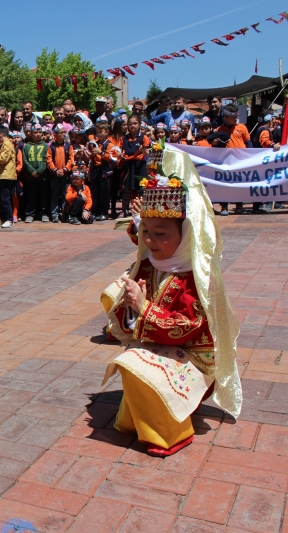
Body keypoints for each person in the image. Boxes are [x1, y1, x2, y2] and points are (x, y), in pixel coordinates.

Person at [102, 147, 242, 457]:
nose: (149, 240)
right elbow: (128, 321)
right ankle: (142, 421)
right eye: (145, 231)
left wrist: (143, 307)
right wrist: (127, 304)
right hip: (158, 341)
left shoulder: (197, 277)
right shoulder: (151, 264)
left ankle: (170, 432)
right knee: (133, 360)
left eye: (160, 233)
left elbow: (190, 326)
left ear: (188, 234)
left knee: (137, 363)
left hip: (193, 354)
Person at [120, 115, 150, 218]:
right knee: (127, 189)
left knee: (141, 188)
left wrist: (143, 151)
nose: (132, 126)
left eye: (135, 123)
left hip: (140, 165)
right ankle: (124, 211)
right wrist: (120, 155)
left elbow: (148, 153)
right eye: (130, 124)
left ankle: (142, 209)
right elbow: (120, 151)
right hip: (128, 165)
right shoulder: (124, 138)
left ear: (139, 124)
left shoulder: (144, 137)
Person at [46, 124, 74, 223]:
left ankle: (65, 214)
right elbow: (49, 160)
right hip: (55, 175)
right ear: (55, 135)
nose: (63, 134)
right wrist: (55, 170)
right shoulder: (52, 147)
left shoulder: (68, 146)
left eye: (64, 132)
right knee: (55, 195)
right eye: (61, 133)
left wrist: (65, 169)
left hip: (65, 175)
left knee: (65, 195)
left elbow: (71, 159)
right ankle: (54, 214)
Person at [0, 127, 17, 227]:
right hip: (3, 174)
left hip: (6, 175)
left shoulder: (7, 144)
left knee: (5, 198)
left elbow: (2, 159)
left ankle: (9, 219)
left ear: (0, 135)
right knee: (3, 198)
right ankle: (5, 218)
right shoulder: (5, 145)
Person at [22, 124, 48, 223]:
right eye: (35, 132)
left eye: (39, 132)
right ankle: (30, 214)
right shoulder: (27, 146)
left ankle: (44, 213)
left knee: (43, 196)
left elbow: (46, 160)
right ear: (31, 133)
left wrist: (39, 171)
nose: (37, 134)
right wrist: (32, 171)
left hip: (43, 176)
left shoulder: (45, 146)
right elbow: (25, 160)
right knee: (31, 196)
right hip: (30, 176)